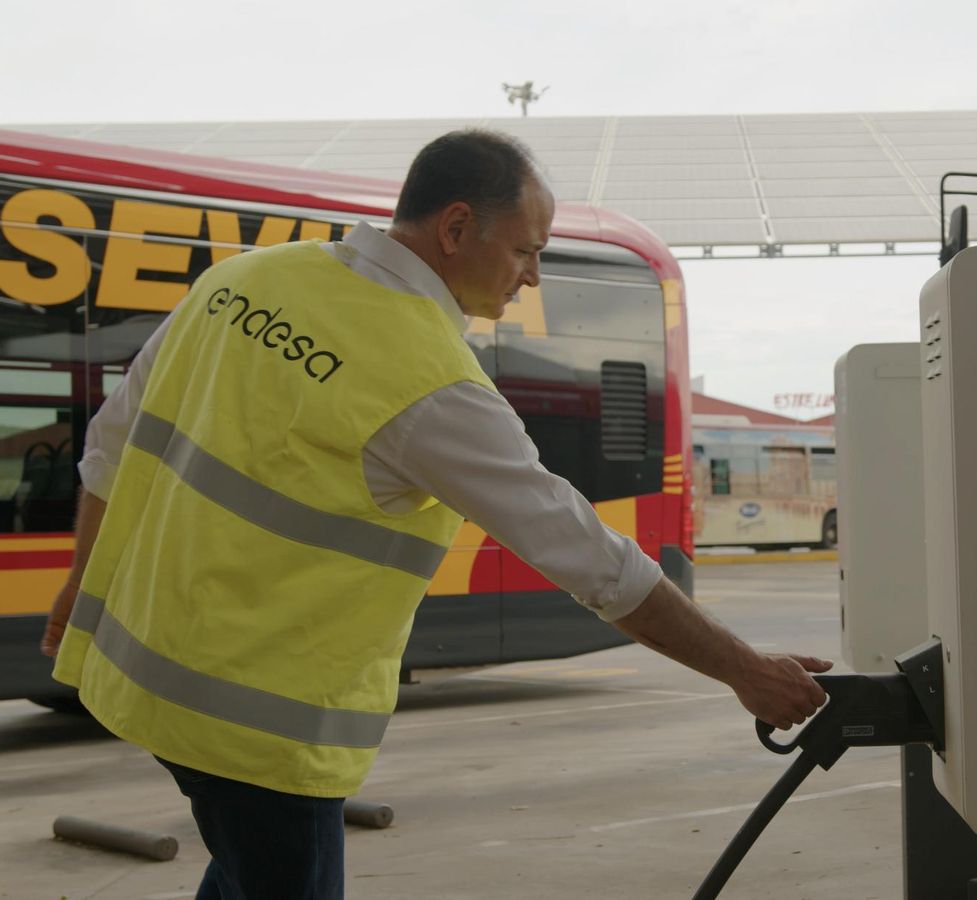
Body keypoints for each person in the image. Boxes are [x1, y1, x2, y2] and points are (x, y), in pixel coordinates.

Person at [39, 129, 830, 900]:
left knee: (243, 867)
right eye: (526, 250)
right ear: (456, 227)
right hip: (259, 725)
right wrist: (744, 669)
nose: (532, 278)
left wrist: (80, 581)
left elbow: (109, 443)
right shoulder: (430, 384)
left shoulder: (245, 280)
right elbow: (588, 555)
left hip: (142, 673)